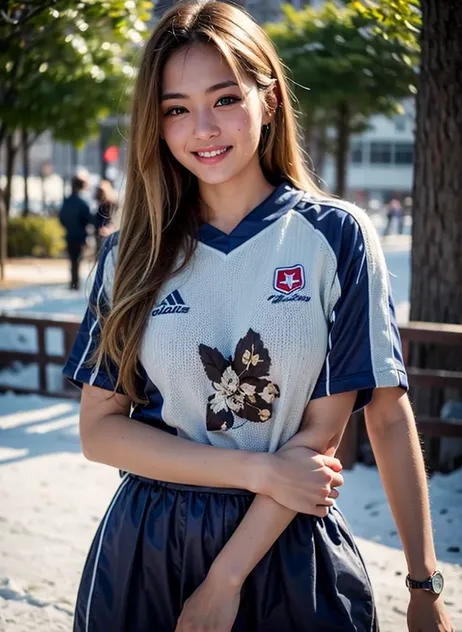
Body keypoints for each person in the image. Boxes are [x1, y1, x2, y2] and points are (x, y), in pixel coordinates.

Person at [62, 2, 453, 631]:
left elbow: (343, 427)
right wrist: (255, 467)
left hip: (288, 540)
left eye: (224, 98)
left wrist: (423, 582)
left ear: (267, 100)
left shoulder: (334, 235)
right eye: (176, 109)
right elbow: (99, 432)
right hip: (148, 544)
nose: (203, 128)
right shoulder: (130, 252)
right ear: (156, 125)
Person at [59, 174, 93, 290]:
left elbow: (62, 218)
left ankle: (74, 281)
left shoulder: (67, 201)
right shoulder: (82, 202)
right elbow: (88, 218)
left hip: (70, 234)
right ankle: (75, 282)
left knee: (73, 259)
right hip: (80, 235)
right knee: (77, 259)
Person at [94, 179, 117, 253]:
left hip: (109, 236)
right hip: (101, 236)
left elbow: (115, 221)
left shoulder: (113, 205)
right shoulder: (100, 205)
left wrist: (110, 230)